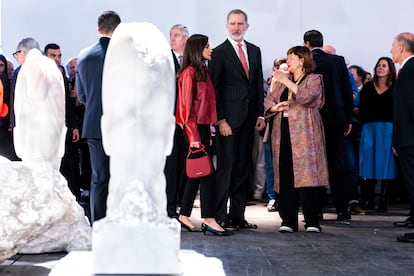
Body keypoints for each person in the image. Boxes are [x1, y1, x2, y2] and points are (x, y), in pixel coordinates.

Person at [209, 9, 265, 229]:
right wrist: (220, 120)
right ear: (226, 26)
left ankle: (237, 216)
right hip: (228, 123)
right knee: (226, 167)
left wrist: (260, 113)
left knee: (243, 168)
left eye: (240, 23)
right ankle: (220, 215)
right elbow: (215, 89)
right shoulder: (219, 52)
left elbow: (257, 84)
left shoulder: (255, 51)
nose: (236, 27)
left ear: (247, 26)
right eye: (232, 23)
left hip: (250, 119)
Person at [264, 46, 328, 233]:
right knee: (284, 174)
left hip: (306, 134)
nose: (288, 61)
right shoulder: (281, 82)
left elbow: (308, 97)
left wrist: (285, 80)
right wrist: (276, 108)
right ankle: (288, 220)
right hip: (282, 131)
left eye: (291, 58)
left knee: (308, 176)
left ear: (302, 60)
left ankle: (312, 220)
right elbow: (269, 100)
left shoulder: (314, 79)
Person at [175, 34, 233, 236]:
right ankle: (208, 219)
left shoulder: (202, 72)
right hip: (194, 129)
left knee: (198, 171)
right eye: (207, 46)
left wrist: (207, 131)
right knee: (206, 173)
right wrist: (194, 137)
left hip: (202, 128)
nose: (211, 49)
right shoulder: (189, 73)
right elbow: (185, 108)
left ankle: (183, 215)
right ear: (198, 49)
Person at [76, 10, 121, 224]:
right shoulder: (126, 55)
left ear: (98, 29)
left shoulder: (84, 56)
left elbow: (82, 96)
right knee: (121, 176)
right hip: (122, 124)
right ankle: (118, 219)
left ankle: (98, 222)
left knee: (98, 176)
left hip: (94, 124)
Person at [304, 30, 354, 222]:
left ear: (307, 43)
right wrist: (348, 119)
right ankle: (342, 209)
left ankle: (316, 211)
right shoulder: (338, 61)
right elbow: (346, 92)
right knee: (337, 164)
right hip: (335, 120)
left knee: (315, 165)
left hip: (312, 119)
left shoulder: (306, 62)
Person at [358, 57, 397, 213]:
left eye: (384, 65)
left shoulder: (395, 87)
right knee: (367, 163)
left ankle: (383, 199)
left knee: (386, 164)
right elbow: (361, 108)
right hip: (369, 128)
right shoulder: (368, 87)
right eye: (378, 65)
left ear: (390, 69)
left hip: (388, 129)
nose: (380, 68)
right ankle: (367, 199)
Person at [44, 43, 81, 200]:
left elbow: (68, 104)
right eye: (53, 55)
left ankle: (72, 200)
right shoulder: (41, 77)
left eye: (59, 56)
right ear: (45, 56)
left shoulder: (62, 78)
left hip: (64, 129)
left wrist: (74, 126)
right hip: (46, 130)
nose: (57, 59)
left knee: (69, 166)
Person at [389, 32, 414, 242]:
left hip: (410, 138)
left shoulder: (410, 70)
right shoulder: (407, 69)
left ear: (402, 48)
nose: (391, 50)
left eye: (393, 46)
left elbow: (410, 106)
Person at [164, 24, 189, 219]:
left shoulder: (192, 61)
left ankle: (181, 206)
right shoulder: (163, 61)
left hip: (188, 123)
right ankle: (169, 209)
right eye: (171, 35)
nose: (173, 39)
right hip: (169, 122)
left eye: (177, 35)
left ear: (186, 39)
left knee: (184, 167)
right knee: (170, 168)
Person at [263, 57, 286, 212]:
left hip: (288, 132)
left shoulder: (292, 87)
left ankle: (286, 197)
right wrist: (274, 107)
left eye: (286, 70)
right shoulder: (272, 87)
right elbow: (267, 104)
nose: (284, 72)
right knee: (271, 166)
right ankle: (272, 197)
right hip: (270, 131)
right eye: (281, 70)